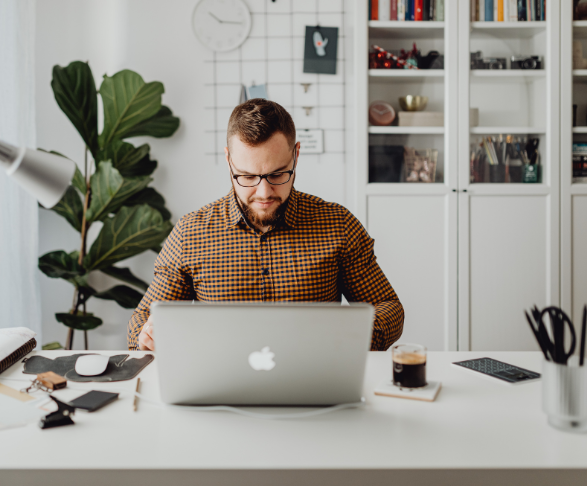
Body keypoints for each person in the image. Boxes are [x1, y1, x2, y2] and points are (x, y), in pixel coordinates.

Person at [128, 99, 404, 351]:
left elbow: (389, 308)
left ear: (296, 155)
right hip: (219, 391)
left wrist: (353, 336)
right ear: (228, 161)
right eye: (247, 176)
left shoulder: (338, 225)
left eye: (277, 174)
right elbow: (142, 319)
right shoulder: (191, 233)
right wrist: (147, 334)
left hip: (314, 386)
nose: (263, 193)